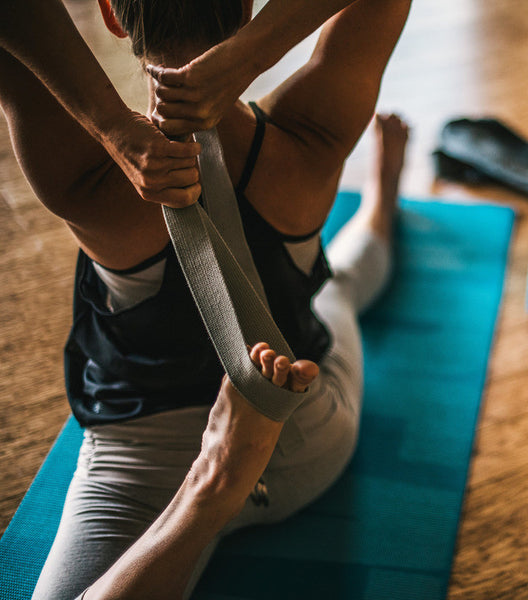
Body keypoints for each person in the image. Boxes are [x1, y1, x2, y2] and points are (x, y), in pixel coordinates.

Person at [0, 0, 412, 597]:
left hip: (144, 476)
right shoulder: (310, 132)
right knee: (338, 289)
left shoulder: (85, 180)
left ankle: (209, 495)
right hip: (305, 441)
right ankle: (381, 200)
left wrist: (111, 128)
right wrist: (251, 53)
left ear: (113, 15)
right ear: (247, 7)